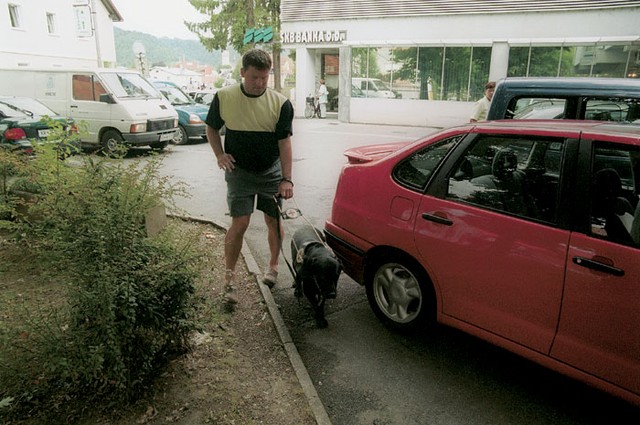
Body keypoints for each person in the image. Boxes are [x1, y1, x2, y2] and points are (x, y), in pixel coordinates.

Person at [205, 48, 294, 310]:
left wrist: (286, 179)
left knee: (272, 220)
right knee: (240, 223)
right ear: (242, 72)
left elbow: (285, 144)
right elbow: (211, 127)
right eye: (254, 77)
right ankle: (229, 280)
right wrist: (219, 154)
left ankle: (274, 267)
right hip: (239, 173)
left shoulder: (280, 103)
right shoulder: (224, 97)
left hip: (270, 172)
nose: (259, 84)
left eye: (264, 78)